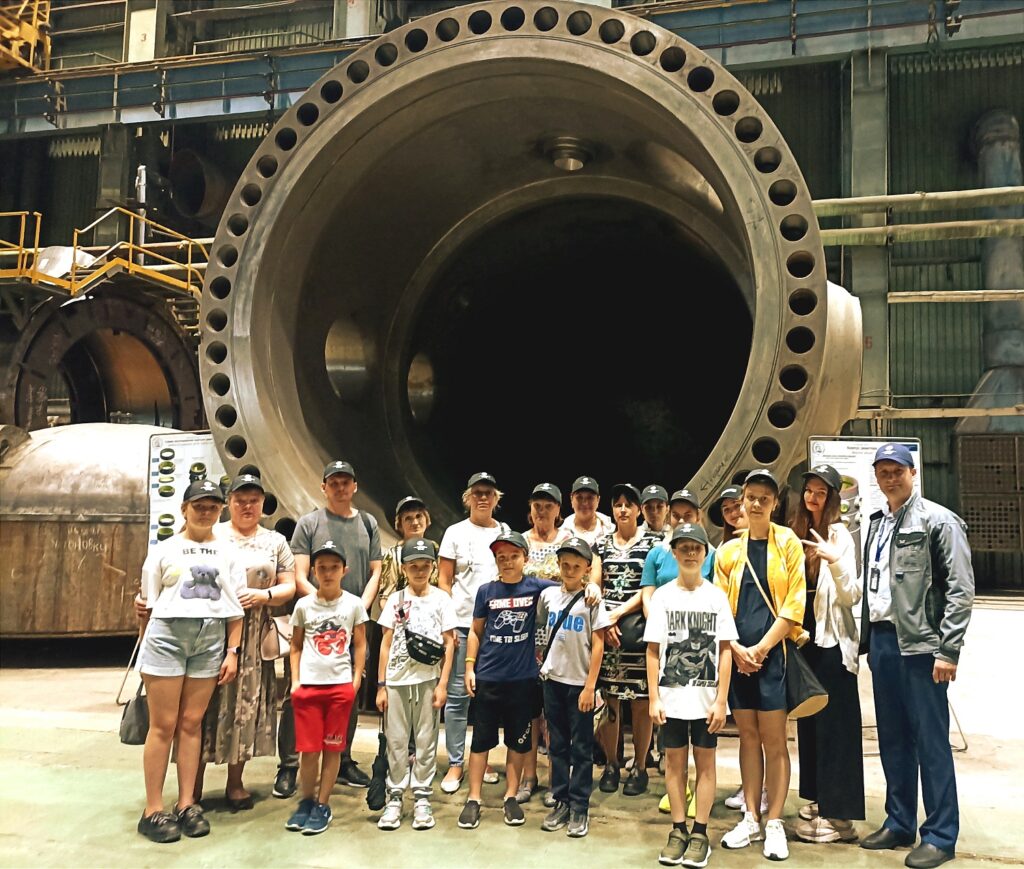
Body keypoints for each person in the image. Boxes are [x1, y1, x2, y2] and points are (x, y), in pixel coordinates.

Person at [856, 444, 974, 869]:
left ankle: (940, 835)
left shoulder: (939, 520)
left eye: (897, 471)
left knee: (930, 740)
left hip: (923, 647)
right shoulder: (877, 523)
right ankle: (900, 821)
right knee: (893, 738)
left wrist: (949, 649)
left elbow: (960, 589)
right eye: (883, 472)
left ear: (913, 472)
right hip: (884, 642)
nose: (890, 478)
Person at [458, 530, 600, 829]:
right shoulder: (486, 591)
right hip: (488, 677)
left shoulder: (537, 588)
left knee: (520, 742)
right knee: (481, 741)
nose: (508, 562)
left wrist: (593, 586)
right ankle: (473, 798)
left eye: (514, 556)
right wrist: (470, 667)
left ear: (525, 558)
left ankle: (512, 797)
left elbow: (572, 585)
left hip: (523, 680)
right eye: (501, 557)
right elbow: (475, 631)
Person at [135, 479, 247, 843]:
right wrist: (144, 645)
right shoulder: (164, 550)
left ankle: (187, 803)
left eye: (213, 506)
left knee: (192, 723)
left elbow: (235, 607)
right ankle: (153, 809)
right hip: (168, 634)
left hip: (210, 638)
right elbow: (147, 604)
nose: (206, 512)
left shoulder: (229, 552)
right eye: (199, 505)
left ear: (221, 511)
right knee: (163, 725)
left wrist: (232, 651)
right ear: (184, 509)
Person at [715, 469, 806, 861]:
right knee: (748, 738)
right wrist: (736, 650)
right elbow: (719, 608)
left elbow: (795, 605)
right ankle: (750, 817)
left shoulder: (787, 543)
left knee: (775, 741)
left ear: (774, 504)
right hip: (738, 660)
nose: (755, 504)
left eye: (763, 498)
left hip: (772, 659)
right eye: (750, 497)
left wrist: (762, 650)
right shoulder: (727, 552)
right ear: (742, 500)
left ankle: (774, 822)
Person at [279, 460, 381, 797]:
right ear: (323, 487)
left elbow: (376, 571)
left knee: (347, 692)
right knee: (299, 693)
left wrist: (356, 609)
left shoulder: (368, 523)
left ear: (355, 486)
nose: (340, 488)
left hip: (352, 623)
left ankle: (343, 758)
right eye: (333, 482)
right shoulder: (309, 523)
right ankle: (289, 764)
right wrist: (326, 605)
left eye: (345, 482)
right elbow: (300, 574)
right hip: (314, 624)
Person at [195, 474, 296, 808]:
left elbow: (289, 585)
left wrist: (264, 595)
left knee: (245, 707)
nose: (247, 506)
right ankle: (191, 786)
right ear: (229, 503)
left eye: (254, 500)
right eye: (240, 500)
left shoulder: (275, 541)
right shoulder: (214, 535)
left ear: (263, 504)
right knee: (203, 706)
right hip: (211, 630)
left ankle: (235, 783)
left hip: (254, 636)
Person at [646, 523, 737, 867]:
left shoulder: (716, 597)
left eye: (695, 548)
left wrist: (721, 700)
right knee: (674, 764)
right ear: (674, 553)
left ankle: (700, 832)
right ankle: (678, 829)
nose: (689, 553)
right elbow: (653, 651)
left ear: (705, 553)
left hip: (706, 700)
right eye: (683, 548)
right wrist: (654, 697)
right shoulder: (662, 597)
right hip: (671, 699)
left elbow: (725, 650)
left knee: (706, 764)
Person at [789, 464, 864, 844]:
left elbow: (852, 596)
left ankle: (842, 818)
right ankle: (820, 799)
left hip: (833, 644)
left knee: (838, 728)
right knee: (811, 724)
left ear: (832, 497)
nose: (813, 497)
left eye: (821, 492)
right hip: (805, 644)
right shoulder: (796, 533)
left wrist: (834, 561)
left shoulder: (840, 536)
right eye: (809, 490)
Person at [639, 488, 716, 818]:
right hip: (668, 647)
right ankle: (679, 793)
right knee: (672, 737)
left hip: (700, 651)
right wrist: (657, 621)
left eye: (689, 514)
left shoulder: (711, 553)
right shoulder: (658, 553)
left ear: (698, 516)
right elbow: (648, 593)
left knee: (702, 739)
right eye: (677, 514)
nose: (682, 519)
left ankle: (700, 795)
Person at [285, 540, 368, 836]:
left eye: (334, 567)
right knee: (309, 751)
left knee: (333, 749)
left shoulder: (354, 604)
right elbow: (295, 645)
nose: (328, 573)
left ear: (344, 570)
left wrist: (355, 680)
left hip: (339, 687)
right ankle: (306, 801)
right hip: (309, 687)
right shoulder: (304, 605)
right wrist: (295, 682)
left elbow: (361, 644)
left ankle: (322, 804)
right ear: (314, 571)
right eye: (322, 567)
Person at [376, 537, 457, 831]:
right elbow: (386, 643)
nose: (419, 571)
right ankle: (395, 797)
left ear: (433, 567)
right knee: (397, 740)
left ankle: (422, 796)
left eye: (425, 566)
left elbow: (449, 643)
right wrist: (381, 685)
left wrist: (443, 684)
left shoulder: (442, 600)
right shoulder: (396, 599)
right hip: (397, 681)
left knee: (426, 740)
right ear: (404, 569)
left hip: (428, 680)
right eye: (413, 566)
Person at [437, 472, 508, 794]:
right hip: (463, 625)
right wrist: (449, 624)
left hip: (495, 626)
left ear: (496, 498)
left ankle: (482, 758)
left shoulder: (504, 533)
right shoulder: (455, 532)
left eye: (488, 493)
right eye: (477, 492)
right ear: (468, 498)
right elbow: (444, 581)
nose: (483, 497)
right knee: (457, 696)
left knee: (487, 697)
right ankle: (455, 762)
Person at [536, 535, 611, 838]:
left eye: (576, 566)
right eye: (565, 565)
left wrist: (590, 686)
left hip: (580, 685)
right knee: (557, 745)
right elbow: (542, 628)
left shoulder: (592, 601)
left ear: (587, 569)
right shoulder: (548, 596)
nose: (569, 570)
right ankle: (562, 800)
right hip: (553, 682)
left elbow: (599, 644)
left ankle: (580, 805)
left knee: (581, 748)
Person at [594, 483, 664, 797]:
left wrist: (618, 613)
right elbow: (596, 586)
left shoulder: (654, 543)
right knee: (610, 700)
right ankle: (611, 764)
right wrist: (603, 620)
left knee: (640, 702)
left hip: (638, 631)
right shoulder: (601, 544)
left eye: (628, 504)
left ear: (638, 510)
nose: (623, 509)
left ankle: (640, 766)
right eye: (618, 504)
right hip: (608, 635)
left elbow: (650, 587)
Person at [519, 482, 572, 803]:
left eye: (548, 505)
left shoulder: (568, 541)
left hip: (558, 636)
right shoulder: (520, 540)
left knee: (555, 715)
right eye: (537, 504)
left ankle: (556, 779)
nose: (542, 510)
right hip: (525, 637)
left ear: (558, 510)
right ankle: (528, 777)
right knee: (529, 713)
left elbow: (578, 579)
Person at [373, 496, 439, 621]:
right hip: (402, 620)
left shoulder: (436, 549)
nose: (415, 522)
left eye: (419, 516)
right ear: (400, 524)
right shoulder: (394, 554)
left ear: (427, 519)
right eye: (408, 518)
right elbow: (385, 599)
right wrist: (403, 622)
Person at [561, 476, 614, 545]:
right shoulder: (561, 531)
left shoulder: (611, 530)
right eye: (579, 497)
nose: (585, 503)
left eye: (590, 497)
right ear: (571, 499)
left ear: (598, 500)